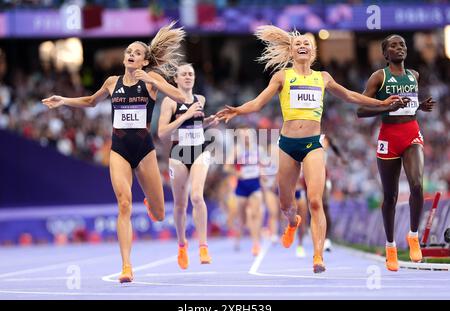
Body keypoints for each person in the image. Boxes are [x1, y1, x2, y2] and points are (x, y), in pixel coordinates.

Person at [216, 25, 405, 273]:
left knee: (315, 201)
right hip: (287, 145)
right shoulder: (282, 77)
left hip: (313, 144)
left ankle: (317, 257)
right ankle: (292, 221)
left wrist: (380, 102)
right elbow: (259, 102)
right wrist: (238, 110)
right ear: (292, 52)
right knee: (286, 203)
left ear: (313, 51)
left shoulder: (322, 77)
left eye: (306, 43)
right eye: (297, 45)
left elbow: (349, 96)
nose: (302, 46)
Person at [42, 22, 188, 283]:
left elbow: (180, 97)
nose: (131, 54)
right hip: (119, 149)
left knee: (159, 213)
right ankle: (127, 267)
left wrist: (153, 80)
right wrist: (63, 100)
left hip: (144, 150)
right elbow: (90, 101)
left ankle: (151, 204)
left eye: (137, 52)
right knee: (123, 204)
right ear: (124, 58)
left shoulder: (151, 80)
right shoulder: (112, 82)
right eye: (128, 51)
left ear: (144, 62)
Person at [357, 34, 436, 271]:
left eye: (402, 44)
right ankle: (390, 246)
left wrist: (420, 106)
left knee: (417, 186)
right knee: (390, 196)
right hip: (388, 138)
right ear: (385, 54)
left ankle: (413, 235)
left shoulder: (414, 75)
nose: (399, 48)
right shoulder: (378, 77)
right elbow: (360, 110)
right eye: (393, 45)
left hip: (411, 133)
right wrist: (387, 106)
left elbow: (409, 105)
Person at [156, 63, 219, 270]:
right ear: (176, 79)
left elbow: (197, 125)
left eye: (191, 74)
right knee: (180, 204)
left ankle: (203, 246)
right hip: (178, 153)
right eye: (183, 74)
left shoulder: (200, 99)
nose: (188, 77)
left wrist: (210, 121)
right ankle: (182, 245)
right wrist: (185, 114)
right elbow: (162, 133)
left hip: (199, 150)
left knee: (197, 197)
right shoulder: (169, 101)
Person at [225, 126, 264, 256]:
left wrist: (263, 173)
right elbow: (226, 167)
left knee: (254, 214)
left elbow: (265, 165)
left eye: (248, 136)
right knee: (241, 218)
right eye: (244, 136)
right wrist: (237, 173)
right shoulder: (237, 149)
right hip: (242, 186)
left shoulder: (258, 149)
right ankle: (237, 238)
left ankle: (256, 244)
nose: (246, 138)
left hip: (255, 184)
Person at [259, 140, 281, 244]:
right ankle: (273, 234)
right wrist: (266, 182)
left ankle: (283, 231)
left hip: (280, 188)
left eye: (276, 149)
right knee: (273, 212)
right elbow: (261, 174)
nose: (274, 151)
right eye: (272, 150)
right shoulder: (264, 161)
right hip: (269, 189)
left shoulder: (281, 160)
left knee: (281, 212)